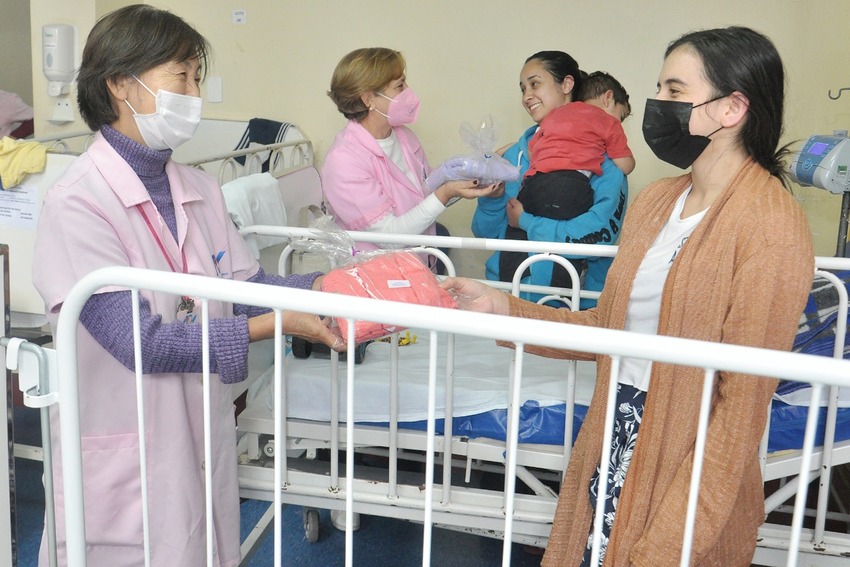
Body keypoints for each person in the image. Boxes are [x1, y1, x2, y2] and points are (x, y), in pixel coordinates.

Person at [445, 26, 814, 566]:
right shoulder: (658, 203)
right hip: (614, 438)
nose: (654, 104)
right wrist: (503, 307)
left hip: (685, 465)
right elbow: (610, 330)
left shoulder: (771, 226)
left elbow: (738, 419)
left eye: (673, 90)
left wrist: (664, 551)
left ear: (732, 107)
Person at [31, 6, 341, 566]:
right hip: (123, 444)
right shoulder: (78, 202)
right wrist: (279, 324)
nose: (195, 93)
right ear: (122, 83)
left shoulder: (198, 186)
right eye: (183, 75)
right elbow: (141, 343)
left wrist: (325, 285)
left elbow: (246, 286)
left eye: (197, 76)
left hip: (197, 433)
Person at [472, 51, 629, 308]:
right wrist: (492, 200)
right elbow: (485, 234)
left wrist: (527, 222)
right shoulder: (515, 154)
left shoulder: (604, 160)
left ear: (567, 85)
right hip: (505, 300)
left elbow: (599, 235)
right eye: (522, 89)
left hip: (569, 309)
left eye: (535, 84)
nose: (526, 96)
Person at [321, 47, 499, 255]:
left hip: (416, 264)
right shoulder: (344, 161)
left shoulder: (403, 137)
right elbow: (390, 238)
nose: (408, 91)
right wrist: (446, 192)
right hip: (375, 276)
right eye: (400, 86)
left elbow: (422, 197)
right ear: (369, 99)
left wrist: (473, 172)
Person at [501, 71, 635, 286]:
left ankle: (513, 287)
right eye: (621, 116)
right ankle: (551, 297)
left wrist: (525, 221)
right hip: (570, 188)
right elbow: (627, 165)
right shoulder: (607, 131)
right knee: (557, 261)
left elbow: (534, 148)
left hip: (533, 184)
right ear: (608, 98)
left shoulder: (550, 120)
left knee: (515, 241)